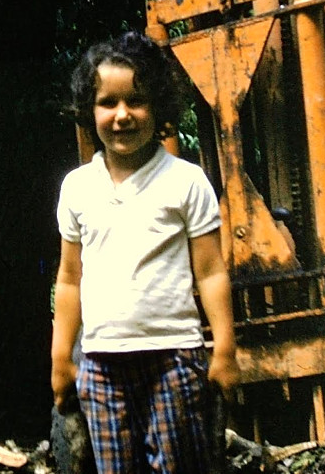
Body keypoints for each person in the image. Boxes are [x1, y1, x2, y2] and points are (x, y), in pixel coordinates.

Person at [51, 32, 240, 474]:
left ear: (158, 107)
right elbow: (69, 279)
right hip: (100, 365)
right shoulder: (77, 188)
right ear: (87, 110)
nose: (122, 115)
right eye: (107, 102)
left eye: (135, 100)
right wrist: (61, 358)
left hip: (173, 359)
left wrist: (225, 349)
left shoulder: (186, 181)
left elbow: (211, 272)